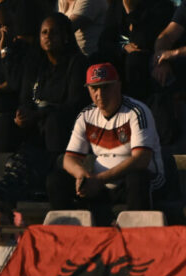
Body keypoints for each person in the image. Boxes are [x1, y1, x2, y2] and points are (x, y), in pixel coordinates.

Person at [48, 62, 164, 218]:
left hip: (141, 181)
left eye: (105, 87)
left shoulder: (137, 112)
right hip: (100, 184)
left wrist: (100, 180)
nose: (100, 94)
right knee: (56, 180)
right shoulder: (86, 115)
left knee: (137, 178)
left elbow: (141, 159)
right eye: (94, 88)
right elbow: (69, 158)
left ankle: (136, 230)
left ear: (118, 86)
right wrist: (82, 176)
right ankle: (70, 230)